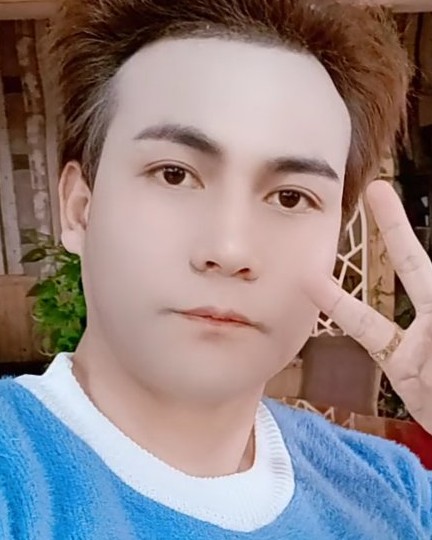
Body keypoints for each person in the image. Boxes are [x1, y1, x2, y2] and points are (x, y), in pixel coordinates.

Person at [1, 0, 431, 538]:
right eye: (174, 174)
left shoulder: (394, 490)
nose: (230, 250)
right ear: (78, 209)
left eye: (291, 197)